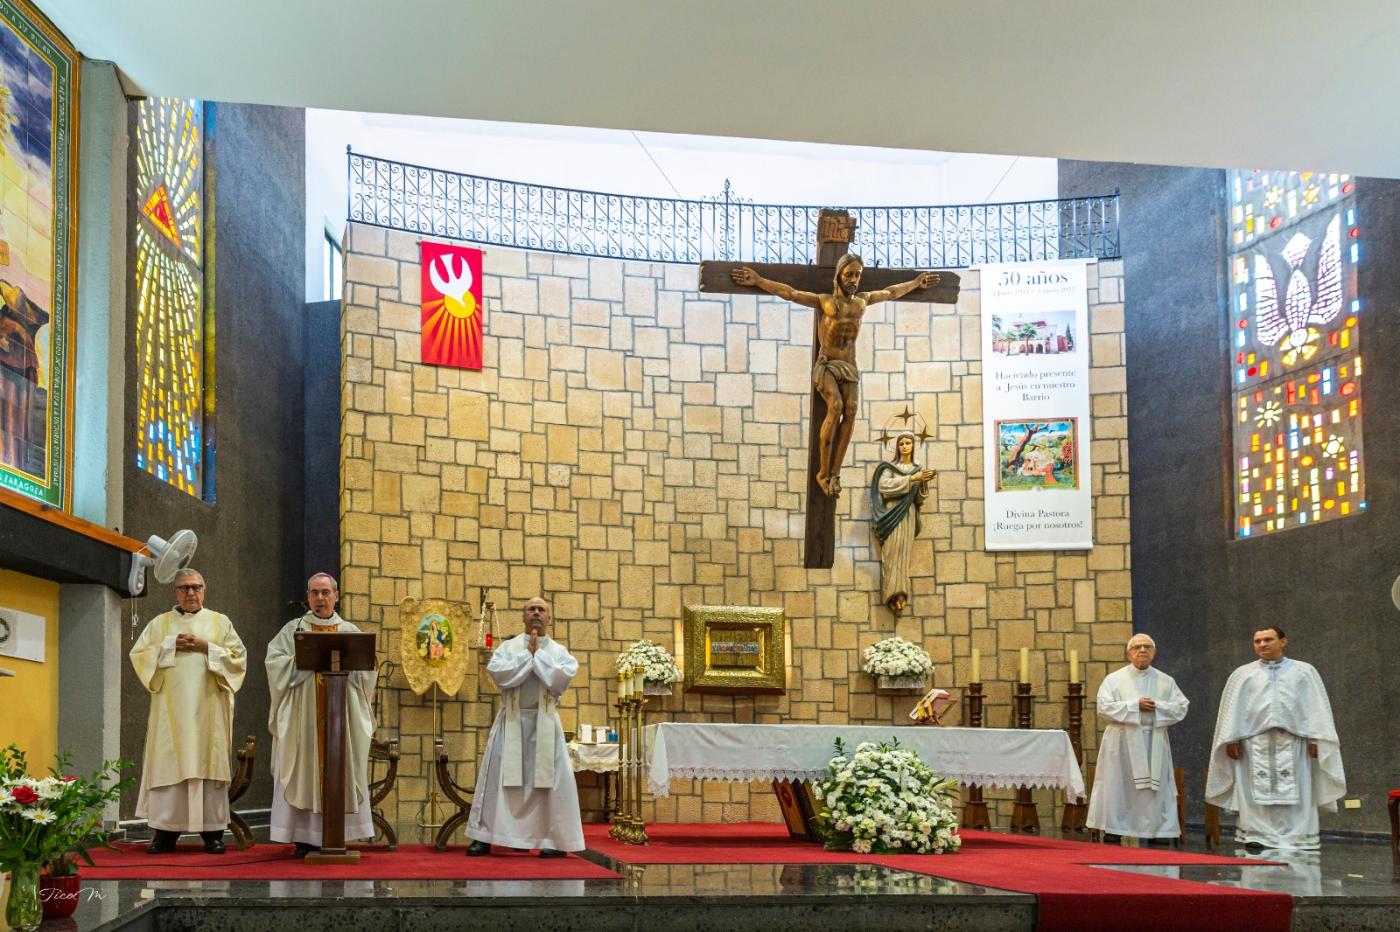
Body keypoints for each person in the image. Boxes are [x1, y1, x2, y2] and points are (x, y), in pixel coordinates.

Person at [731, 256, 938, 497]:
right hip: (827, 364)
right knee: (836, 406)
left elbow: (891, 292)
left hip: (849, 366)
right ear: (839, 275)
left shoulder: (862, 302)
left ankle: (835, 473)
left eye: (858, 275)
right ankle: (822, 472)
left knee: (850, 411)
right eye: (849, 274)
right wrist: (758, 280)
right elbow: (790, 293)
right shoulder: (824, 302)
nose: (853, 280)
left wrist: (915, 283)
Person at [129, 568, 246, 854]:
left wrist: (208, 647)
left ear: (204, 590)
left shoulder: (221, 622)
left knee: (208, 765)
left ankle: (213, 834)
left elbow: (238, 659)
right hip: (171, 715)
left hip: (209, 710)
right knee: (169, 765)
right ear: (175, 592)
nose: (190, 592)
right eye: (184, 588)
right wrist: (169, 645)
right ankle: (165, 834)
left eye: (196, 587)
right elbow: (139, 655)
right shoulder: (160, 624)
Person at [265, 573, 377, 857]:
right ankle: (304, 837)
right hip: (304, 718)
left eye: (326, 592)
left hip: (341, 716)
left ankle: (339, 834)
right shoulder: (293, 630)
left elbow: (366, 671)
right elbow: (274, 664)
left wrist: (356, 669)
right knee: (304, 767)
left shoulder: (350, 631)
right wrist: (301, 659)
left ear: (336, 596)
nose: (320, 598)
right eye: (315, 593)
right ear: (308, 596)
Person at [1206, 627, 1345, 851]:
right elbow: (1232, 711)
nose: (1262, 644)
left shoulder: (1304, 672)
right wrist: (1231, 740)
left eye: (1268, 639)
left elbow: (1316, 708)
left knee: (1299, 789)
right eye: (1257, 641)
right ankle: (1257, 834)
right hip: (1253, 744)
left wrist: (1316, 739)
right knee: (1253, 791)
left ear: (1283, 641)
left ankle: (1299, 835)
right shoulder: (1242, 674)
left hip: (1295, 742)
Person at [465, 596, 583, 857]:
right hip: (512, 721)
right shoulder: (508, 648)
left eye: (541, 610)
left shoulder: (560, 652)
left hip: (545, 723)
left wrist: (535, 657)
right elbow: (500, 675)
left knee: (549, 785)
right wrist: (529, 658)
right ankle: (485, 836)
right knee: (498, 780)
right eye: (531, 609)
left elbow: (558, 680)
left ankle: (553, 841)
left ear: (549, 618)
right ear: (523, 616)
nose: (536, 613)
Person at [1086, 633, 1189, 844]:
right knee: (1119, 785)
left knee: (1154, 789)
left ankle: (1157, 832)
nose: (1142, 650)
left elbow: (1181, 707)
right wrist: (1135, 706)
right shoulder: (1113, 680)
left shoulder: (1166, 680)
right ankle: (1114, 829)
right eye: (1137, 647)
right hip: (1121, 742)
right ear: (1128, 653)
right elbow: (1104, 708)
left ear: (1154, 652)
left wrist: (1157, 706)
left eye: (1147, 647)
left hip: (1154, 741)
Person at [870, 432, 936, 614]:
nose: (905, 446)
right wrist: (913, 479)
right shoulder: (890, 468)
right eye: (902, 443)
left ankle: (901, 593)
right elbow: (884, 487)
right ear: (898, 447)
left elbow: (919, 500)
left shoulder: (917, 468)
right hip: (892, 515)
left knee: (903, 557)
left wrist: (923, 484)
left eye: (908, 443)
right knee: (891, 555)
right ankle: (890, 593)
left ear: (913, 446)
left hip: (907, 516)